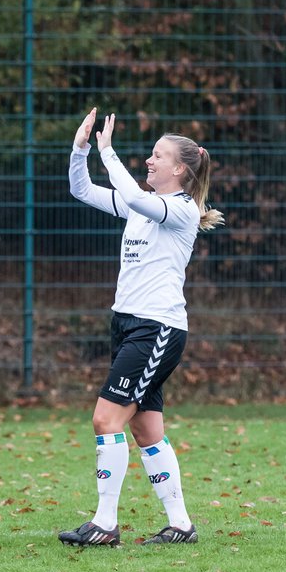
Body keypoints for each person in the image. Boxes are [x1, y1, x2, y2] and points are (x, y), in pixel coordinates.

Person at [59, 108, 224, 547]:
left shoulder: (180, 209)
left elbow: (133, 197)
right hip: (129, 325)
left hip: (157, 329)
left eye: (157, 155)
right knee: (146, 430)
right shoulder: (145, 205)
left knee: (105, 418)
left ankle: (104, 524)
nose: (149, 161)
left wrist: (108, 152)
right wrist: (81, 149)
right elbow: (80, 189)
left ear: (180, 169)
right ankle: (181, 525)